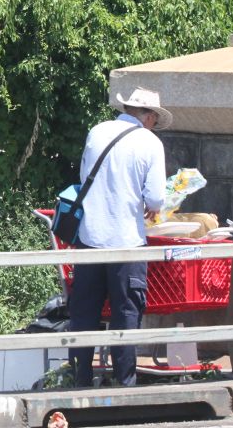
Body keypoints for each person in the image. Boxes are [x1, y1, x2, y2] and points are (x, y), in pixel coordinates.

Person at [68, 86, 170, 387]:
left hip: (89, 237)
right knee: (126, 313)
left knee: (84, 312)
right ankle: (124, 382)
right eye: (154, 120)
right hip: (127, 241)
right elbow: (156, 200)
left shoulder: (97, 131)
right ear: (149, 116)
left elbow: (84, 177)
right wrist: (148, 206)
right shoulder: (150, 143)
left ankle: (80, 378)